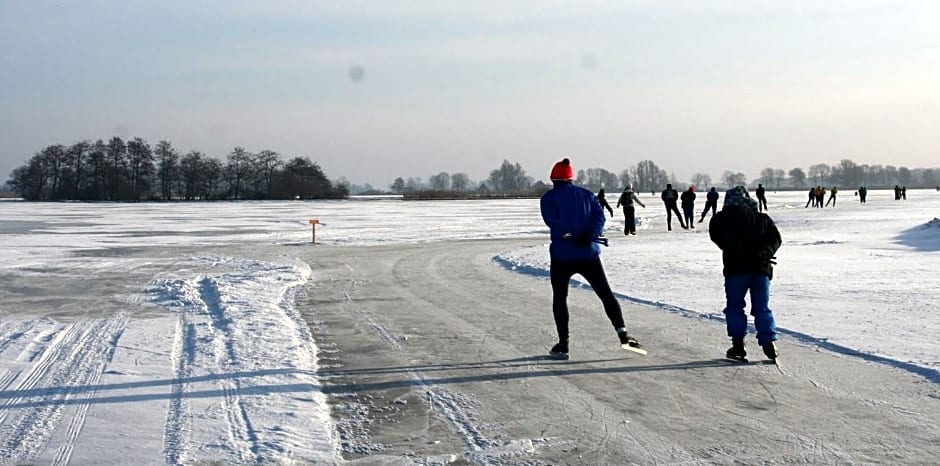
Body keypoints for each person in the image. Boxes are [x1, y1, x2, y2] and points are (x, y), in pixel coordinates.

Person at [540, 158, 643, 359]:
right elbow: (600, 217)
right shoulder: (587, 195)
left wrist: (572, 235)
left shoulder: (549, 198)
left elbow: (553, 222)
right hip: (589, 254)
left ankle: (563, 344)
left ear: (554, 179)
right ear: (570, 178)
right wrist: (589, 235)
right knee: (605, 294)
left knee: (560, 299)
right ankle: (623, 334)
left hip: (562, 256)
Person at [709, 186, 782, 362]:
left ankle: (738, 345)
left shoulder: (720, 219)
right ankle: (769, 343)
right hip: (760, 269)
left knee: (735, 307)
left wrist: (736, 248)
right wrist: (765, 251)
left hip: (736, 269)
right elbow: (776, 238)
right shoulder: (761, 218)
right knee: (762, 307)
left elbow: (717, 237)